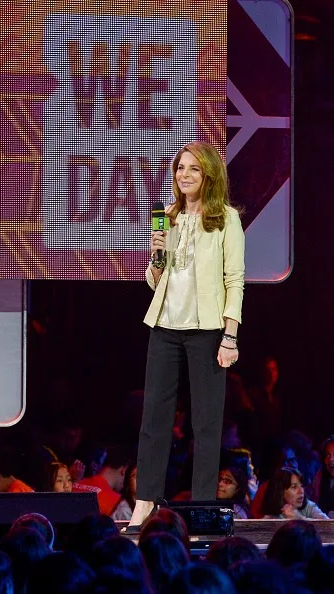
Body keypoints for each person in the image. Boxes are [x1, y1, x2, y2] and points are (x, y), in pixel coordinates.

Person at [127, 141, 245, 530]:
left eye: (193, 169)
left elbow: (235, 280)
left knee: (206, 423)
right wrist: (156, 256)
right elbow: (157, 279)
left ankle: (202, 509)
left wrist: (230, 336)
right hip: (164, 326)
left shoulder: (226, 219)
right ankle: (145, 503)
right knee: (154, 419)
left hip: (207, 330)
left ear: (208, 174)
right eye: (180, 169)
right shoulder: (169, 217)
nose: (184, 175)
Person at [261, 467, 328, 519]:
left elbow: (330, 527)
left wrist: (299, 518)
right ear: (280, 491)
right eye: (294, 487)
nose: (301, 491)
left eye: (301, 486)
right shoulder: (270, 518)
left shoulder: (309, 507)